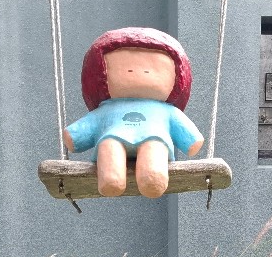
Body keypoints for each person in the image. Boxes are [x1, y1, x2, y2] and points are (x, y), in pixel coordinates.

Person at [66, 27, 204, 197]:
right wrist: (73, 137)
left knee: (154, 149)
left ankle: (152, 178)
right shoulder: (105, 110)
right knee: (109, 148)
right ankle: (111, 179)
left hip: (154, 138)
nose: (140, 71)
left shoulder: (167, 111)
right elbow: (81, 131)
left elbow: (190, 137)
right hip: (112, 138)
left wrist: (192, 141)